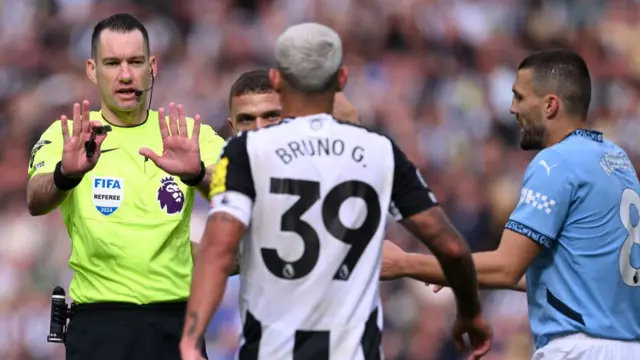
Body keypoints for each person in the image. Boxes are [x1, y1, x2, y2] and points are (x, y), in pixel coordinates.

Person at [180, 22, 492, 360]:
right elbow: (451, 246)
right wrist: (470, 312)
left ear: (276, 81)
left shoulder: (246, 151)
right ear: (342, 79)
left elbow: (217, 249)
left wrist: (191, 338)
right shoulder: (379, 151)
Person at [381, 49, 640, 359]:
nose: (512, 108)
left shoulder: (556, 162)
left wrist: (405, 263)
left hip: (578, 349)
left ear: (549, 105)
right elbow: (573, 276)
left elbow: (506, 267)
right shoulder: (615, 158)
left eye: (519, 97)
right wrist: (452, 271)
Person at [26, 13, 224, 360]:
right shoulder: (69, 135)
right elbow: (35, 199)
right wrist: (64, 175)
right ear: (91, 69)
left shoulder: (187, 135)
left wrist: (196, 175)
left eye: (135, 61)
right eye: (112, 62)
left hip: (175, 321)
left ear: (153, 66)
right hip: (100, 324)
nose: (125, 74)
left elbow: (236, 195)